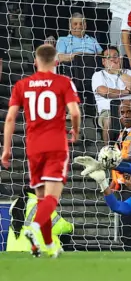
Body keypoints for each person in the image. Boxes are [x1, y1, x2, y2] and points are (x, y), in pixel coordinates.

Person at [1, 44, 81, 258]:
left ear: (35, 62)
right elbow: (74, 111)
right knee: (52, 199)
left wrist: (6, 149)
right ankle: (34, 227)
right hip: (55, 144)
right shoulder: (64, 82)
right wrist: (74, 130)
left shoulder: (22, 84)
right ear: (57, 62)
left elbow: (10, 118)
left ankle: (47, 245)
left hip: (33, 147)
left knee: (41, 199)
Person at [92, 47, 131, 143]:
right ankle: (108, 152)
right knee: (109, 120)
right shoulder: (98, 74)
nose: (113, 59)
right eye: (109, 57)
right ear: (103, 61)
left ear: (120, 59)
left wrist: (118, 72)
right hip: (108, 111)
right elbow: (104, 92)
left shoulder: (128, 72)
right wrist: (125, 92)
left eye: (115, 56)